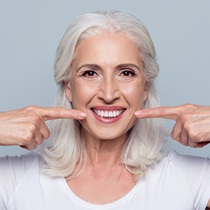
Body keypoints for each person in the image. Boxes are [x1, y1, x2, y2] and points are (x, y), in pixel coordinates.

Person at [0, 10, 210, 210]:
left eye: (126, 73)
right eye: (90, 73)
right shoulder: (13, 179)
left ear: (145, 87)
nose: (108, 94)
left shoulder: (193, 179)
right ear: (68, 87)